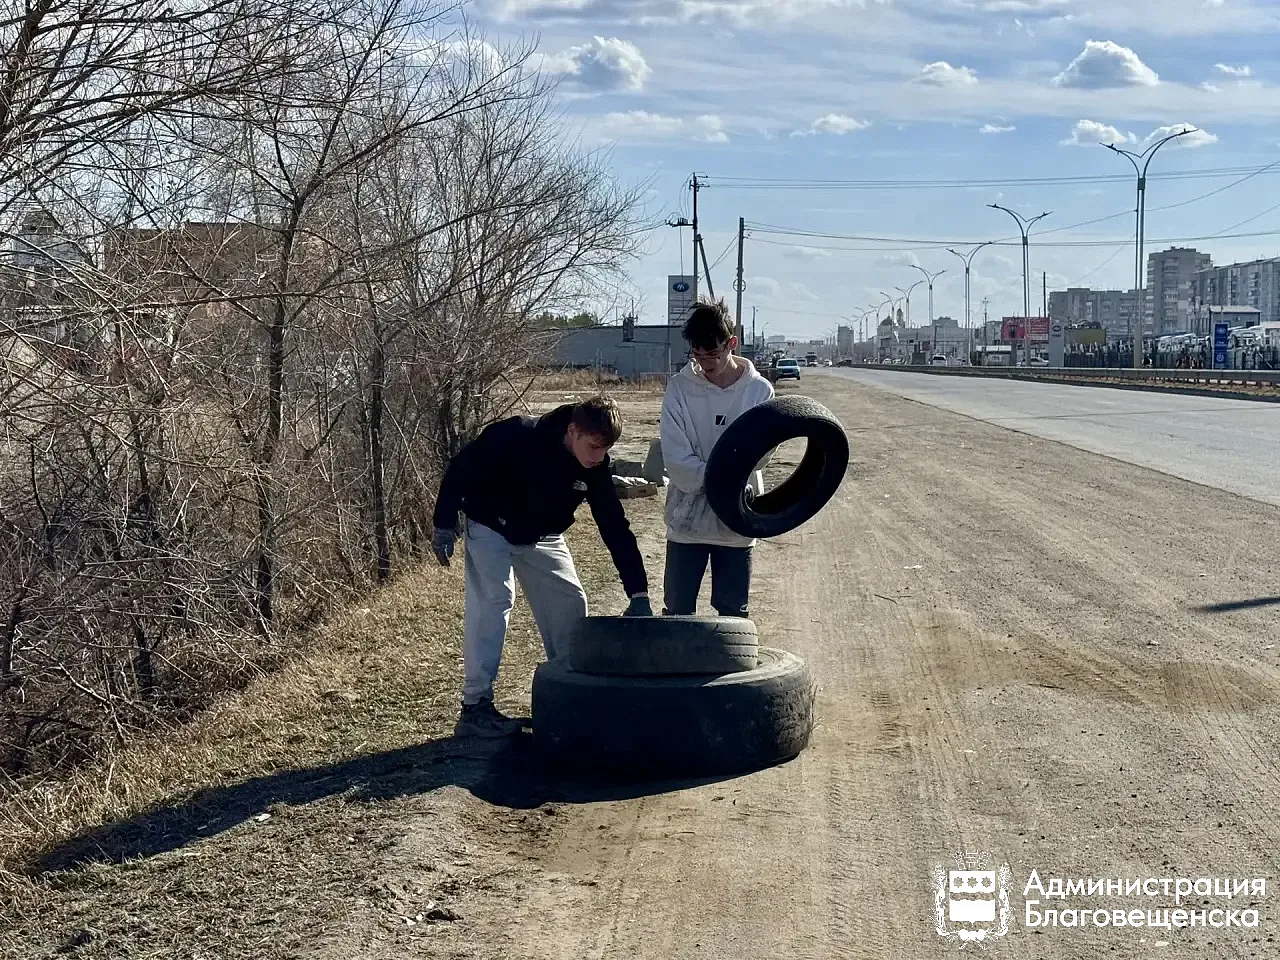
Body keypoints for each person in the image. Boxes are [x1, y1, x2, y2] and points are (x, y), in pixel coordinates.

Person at [432, 396, 651, 738]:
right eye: (592, 447)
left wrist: (638, 592)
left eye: (604, 450)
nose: (597, 457)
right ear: (572, 430)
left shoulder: (595, 466)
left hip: (542, 534)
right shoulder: (517, 435)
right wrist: (444, 522)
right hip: (491, 525)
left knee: (571, 602)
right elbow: (461, 466)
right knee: (495, 600)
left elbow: (614, 526)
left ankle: (567, 692)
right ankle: (475, 707)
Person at [660, 299, 774, 618]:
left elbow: (760, 455)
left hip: (737, 521)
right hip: (686, 521)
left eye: (713, 353)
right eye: (697, 354)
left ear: (731, 343)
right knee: (678, 612)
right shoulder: (680, 388)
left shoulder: (759, 392)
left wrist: (723, 483)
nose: (705, 363)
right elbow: (676, 457)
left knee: (733, 614)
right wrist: (723, 477)